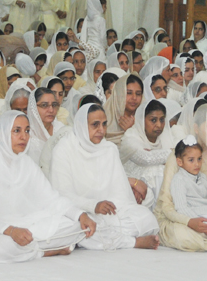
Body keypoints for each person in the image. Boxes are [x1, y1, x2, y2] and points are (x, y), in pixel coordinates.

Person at [0, 111, 96, 263]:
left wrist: (80, 215)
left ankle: (32, 248)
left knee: (75, 225)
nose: (24, 137)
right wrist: (11, 231)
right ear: (3, 133)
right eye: (17, 131)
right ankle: (44, 251)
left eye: (27, 131)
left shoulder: (26, 163)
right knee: (5, 246)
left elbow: (52, 200)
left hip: (26, 225)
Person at [49, 103, 160, 250]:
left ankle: (107, 237)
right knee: (72, 226)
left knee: (147, 218)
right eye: (95, 124)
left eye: (104, 124)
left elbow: (121, 195)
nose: (101, 130)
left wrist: (111, 214)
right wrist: (94, 205)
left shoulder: (109, 149)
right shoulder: (64, 149)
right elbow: (62, 194)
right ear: (82, 125)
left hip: (109, 216)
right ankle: (132, 242)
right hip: (82, 213)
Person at [119, 100, 171, 207]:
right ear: (142, 120)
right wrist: (173, 152)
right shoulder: (130, 137)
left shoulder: (165, 138)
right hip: (132, 187)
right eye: (153, 120)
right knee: (156, 169)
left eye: (162, 120)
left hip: (149, 190)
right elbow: (146, 159)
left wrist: (156, 154)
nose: (159, 125)